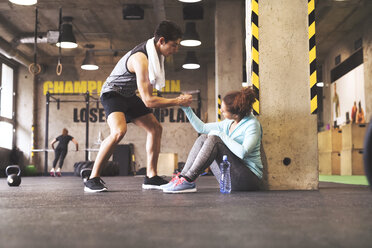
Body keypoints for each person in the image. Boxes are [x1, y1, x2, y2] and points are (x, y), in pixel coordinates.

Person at [84, 20, 192, 193]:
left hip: (128, 95)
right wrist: (178, 101)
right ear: (161, 41)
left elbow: (146, 97)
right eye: (174, 45)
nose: (176, 50)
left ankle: (151, 176)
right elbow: (149, 101)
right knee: (119, 131)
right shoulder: (141, 59)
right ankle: (92, 178)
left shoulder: (155, 55)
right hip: (112, 93)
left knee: (155, 128)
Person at [162, 86, 263, 193]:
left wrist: (221, 135)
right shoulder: (230, 122)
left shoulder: (252, 125)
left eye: (223, 111)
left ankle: (188, 179)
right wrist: (186, 108)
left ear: (236, 114)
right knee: (203, 138)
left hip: (247, 179)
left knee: (215, 139)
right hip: (229, 177)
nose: (221, 111)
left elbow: (243, 152)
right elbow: (202, 128)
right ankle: (183, 177)